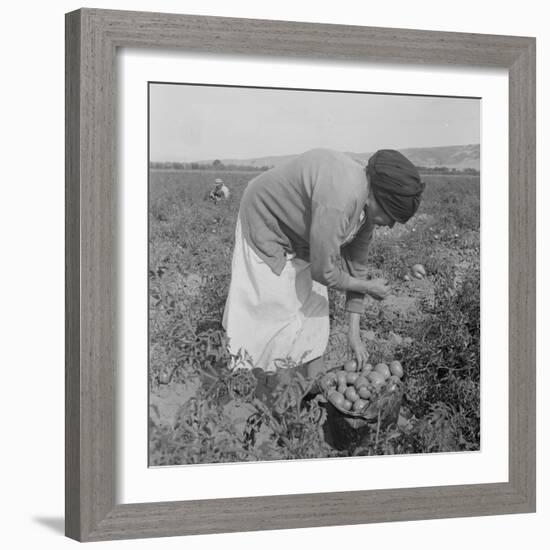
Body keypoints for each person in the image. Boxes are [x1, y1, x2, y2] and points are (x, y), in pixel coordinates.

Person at [222, 148, 424, 391]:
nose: (390, 225)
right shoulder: (341, 199)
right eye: (390, 216)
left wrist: (354, 334)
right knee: (277, 313)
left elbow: (356, 266)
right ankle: (261, 388)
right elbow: (323, 272)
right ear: (377, 197)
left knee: (314, 311)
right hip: (266, 223)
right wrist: (367, 287)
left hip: (303, 238)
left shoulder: (366, 205)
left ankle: (307, 389)